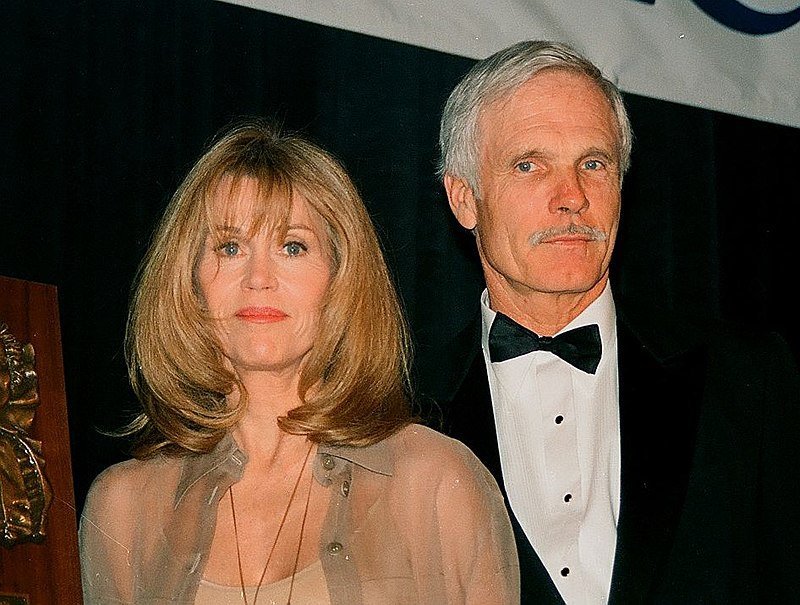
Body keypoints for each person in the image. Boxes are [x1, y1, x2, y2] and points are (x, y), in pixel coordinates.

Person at [78, 119, 519, 604]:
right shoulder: (123, 509)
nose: (258, 277)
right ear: (189, 281)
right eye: (229, 246)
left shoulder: (437, 482)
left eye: (292, 246)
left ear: (340, 278)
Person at [434, 40, 800, 603]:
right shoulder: (399, 412)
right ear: (463, 199)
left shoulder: (747, 379)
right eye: (529, 165)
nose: (572, 197)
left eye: (593, 164)